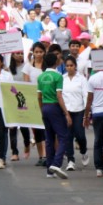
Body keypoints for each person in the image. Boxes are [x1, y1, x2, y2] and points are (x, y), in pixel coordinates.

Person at [36, 51, 71, 179]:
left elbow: (39, 96)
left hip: (45, 106)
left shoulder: (41, 77)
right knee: (63, 137)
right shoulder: (58, 76)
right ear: (56, 62)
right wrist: (66, 113)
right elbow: (59, 96)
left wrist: (41, 110)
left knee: (49, 139)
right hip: (55, 107)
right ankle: (56, 163)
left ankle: (49, 170)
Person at [60, 56, 90, 170]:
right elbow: (60, 94)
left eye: (71, 65)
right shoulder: (62, 78)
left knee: (80, 135)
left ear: (75, 66)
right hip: (66, 110)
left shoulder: (81, 78)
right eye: (67, 66)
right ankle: (71, 160)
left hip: (79, 110)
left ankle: (84, 151)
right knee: (68, 136)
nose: (69, 68)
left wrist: (87, 112)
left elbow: (86, 95)